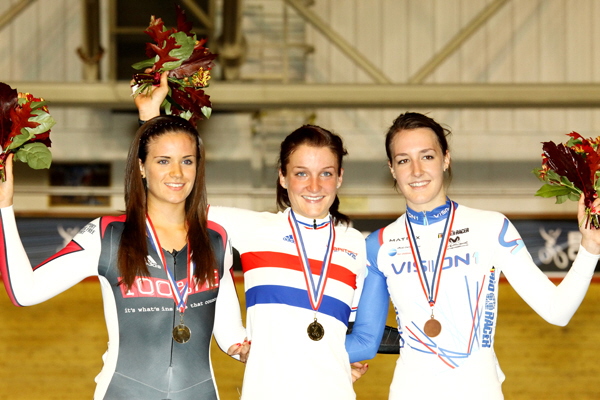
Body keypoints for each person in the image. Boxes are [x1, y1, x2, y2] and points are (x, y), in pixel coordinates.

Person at [136, 79, 368, 399]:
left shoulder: (356, 244)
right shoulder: (254, 229)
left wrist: (339, 359)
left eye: (326, 173)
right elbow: (172, 201)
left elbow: (348, 332)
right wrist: (151, 116)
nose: (314, 185)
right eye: (301, 172)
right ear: (283, 177)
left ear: (340, 177)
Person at [345, 112, 600, 400]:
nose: (416, 170)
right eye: (404, 160)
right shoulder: (378, 244)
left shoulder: (491, 227)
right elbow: (364, 341)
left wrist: (590, 249)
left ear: (446, 159)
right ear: (392, 169)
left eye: (427, 156)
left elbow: (557, 311)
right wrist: (301, 355)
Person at [0, 115, 248, 400]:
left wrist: (247, 349)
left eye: (187, 161)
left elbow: (230, 334)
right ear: (141, 167)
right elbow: (24, 291)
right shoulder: (107, 234)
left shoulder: (217, 239)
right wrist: (4, 206)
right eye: (163, 161)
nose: (177, 173)